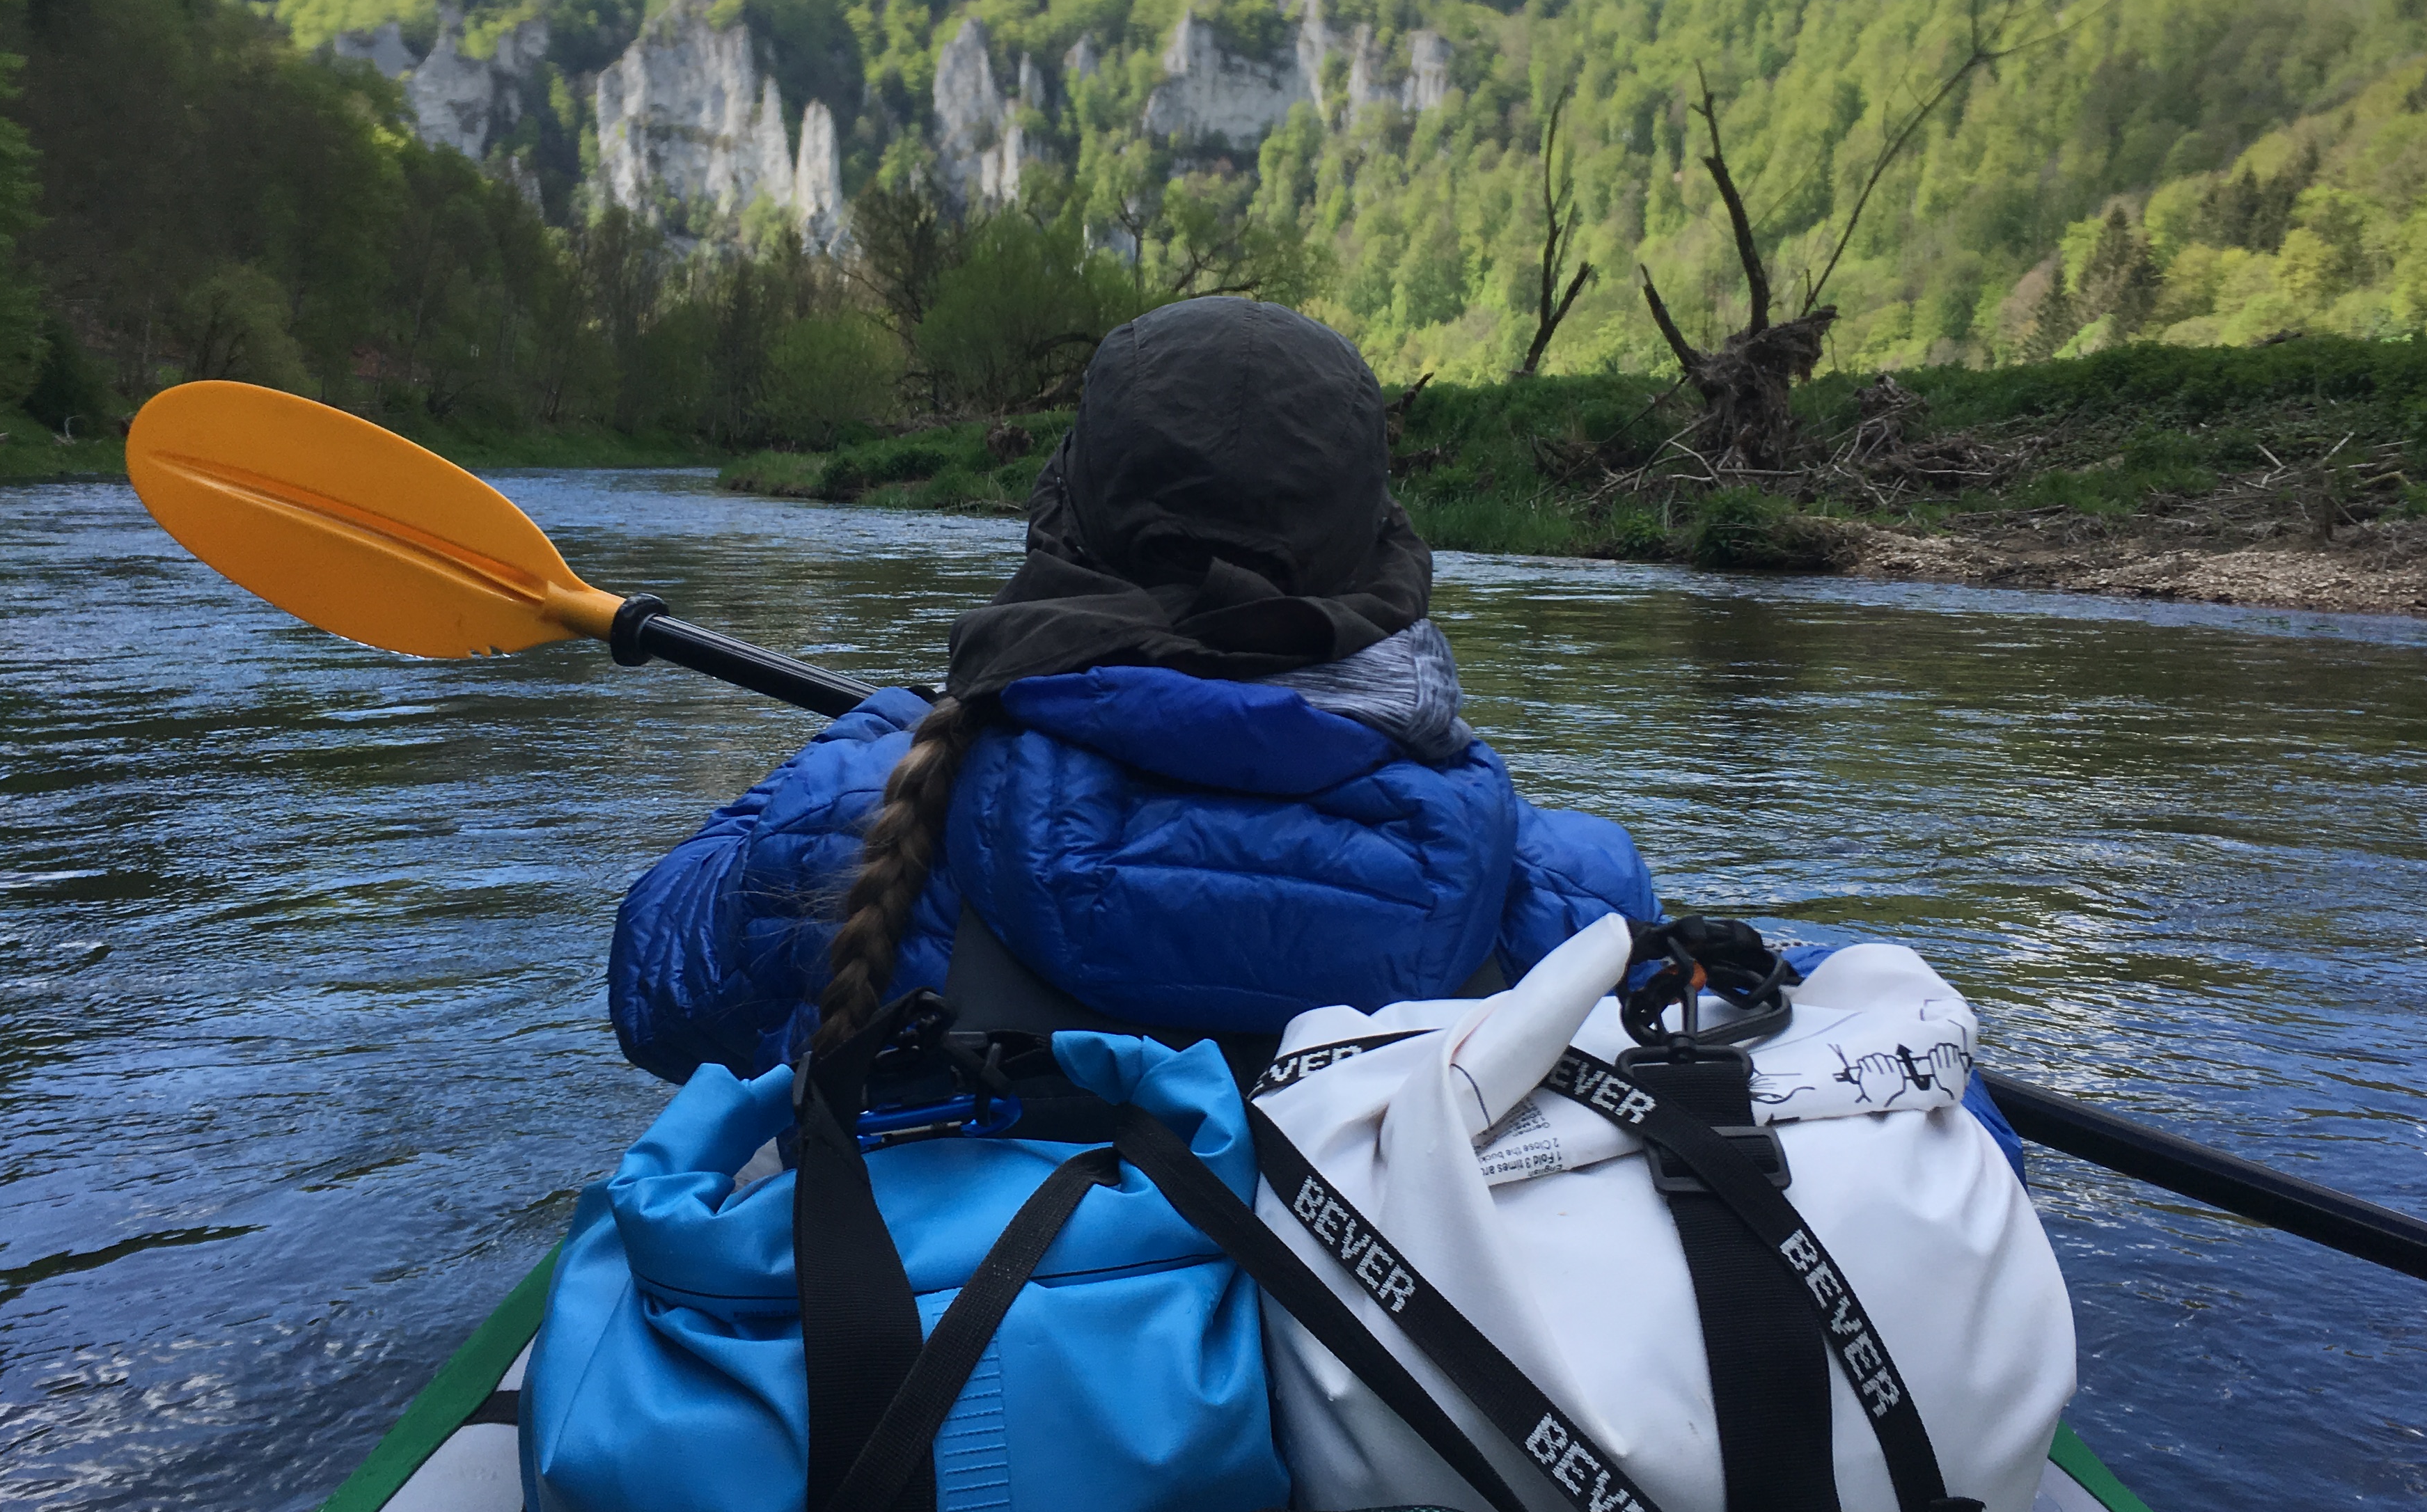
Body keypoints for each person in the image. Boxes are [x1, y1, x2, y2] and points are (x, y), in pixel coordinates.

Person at [608, 297, 1659, 1082]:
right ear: (1384, 562)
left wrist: (871, 737)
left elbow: (652, 991)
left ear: (1062, 522)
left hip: (976, 1360)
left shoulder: (854, 812)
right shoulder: (1572, 892)